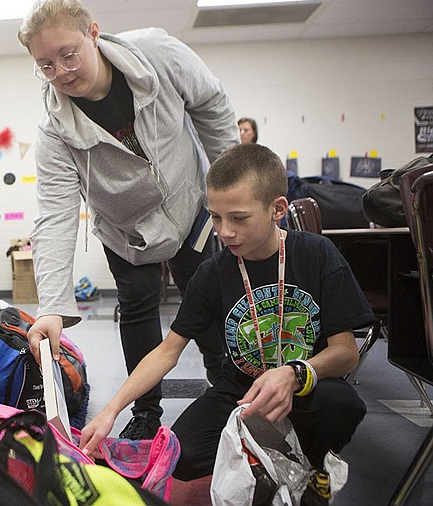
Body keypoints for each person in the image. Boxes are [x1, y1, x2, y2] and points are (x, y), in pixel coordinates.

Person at [79, 143, 374, 503]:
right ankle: (266, 460)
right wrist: (111, 410)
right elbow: (167, 352)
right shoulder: (214, 272)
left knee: (342, 404)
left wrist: (293, 373)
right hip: (241, 392)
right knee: (182, 456)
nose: (224, 231)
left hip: (306, 388)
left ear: (277, 209)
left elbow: (346, 353)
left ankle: (313, 467)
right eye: (216, 218)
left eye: (238, 218)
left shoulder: (315, 254)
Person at [17, 0, 239, 440]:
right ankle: (146, 412)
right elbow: (56, 216)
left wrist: (231, 192)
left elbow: (212, 106)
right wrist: (53, 307)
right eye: (45, 65)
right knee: (138, 309)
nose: (59, 72)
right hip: (126, 230)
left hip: (189, 204)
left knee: (210, 300)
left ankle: (231, 391)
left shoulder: (156, 53)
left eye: (68, 55)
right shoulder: (53, 132)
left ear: (93, 34)